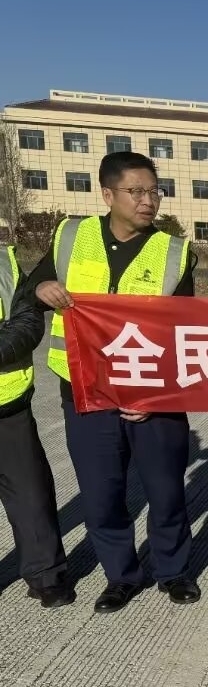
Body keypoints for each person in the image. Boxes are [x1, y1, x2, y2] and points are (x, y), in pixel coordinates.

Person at [25, 151, 199, 613]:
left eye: (155, 191)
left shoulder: (175, 252)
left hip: (152, 393)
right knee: (102, 494)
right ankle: (121, 576)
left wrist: (157, 394)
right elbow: (32, 290)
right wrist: (42, 289)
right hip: (86, 390)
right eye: (136, 191)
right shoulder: (70, 237)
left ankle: (174, 571)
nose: (148, 201)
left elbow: (185, 331)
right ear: (107, 194)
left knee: (165, 490)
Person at [0, 242, 72, 608]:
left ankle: (47, 576)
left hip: (7, 404)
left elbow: (28, 322)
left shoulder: (5, 263)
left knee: (30, 494)